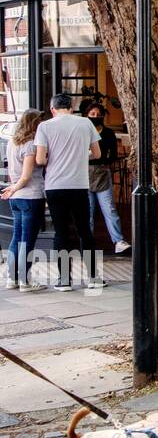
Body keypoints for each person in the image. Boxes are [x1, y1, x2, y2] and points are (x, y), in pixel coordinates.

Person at [35, 94, 100, 291]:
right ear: (71, 108)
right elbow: (97, 154)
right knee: (84, 231)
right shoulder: (85, 123)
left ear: (52, 109)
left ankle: (64, 280)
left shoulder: (45, 126)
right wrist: (81, 155)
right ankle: (92, 278)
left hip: (55, 186)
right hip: (79, 185)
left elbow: (40, 160)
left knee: (61, 232)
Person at [2, 110, 46, 292]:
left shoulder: (12, 142)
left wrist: (13, 189)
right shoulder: (30, 145)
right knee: (27, 241)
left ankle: (12, 279)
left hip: (16, 199)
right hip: (30, 196)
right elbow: (26, 176)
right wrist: (14, 188)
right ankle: (24, 281)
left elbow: (13, 171)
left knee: (17, 239)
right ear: (34, 124)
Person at [83, 102, 128, 256]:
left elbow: (113, 154)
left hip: (102, 173)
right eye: (92, 114)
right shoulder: (82, 132)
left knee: (109, 209)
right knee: (87, 212)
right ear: (86, 115)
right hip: (84, 174)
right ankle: (87, 244)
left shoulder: (108, 133)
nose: (96, 117)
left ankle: (118, 241)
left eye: (98, 114)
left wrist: (103, 162)